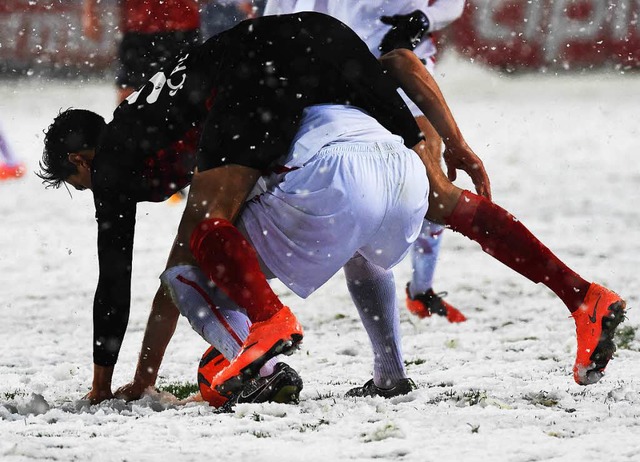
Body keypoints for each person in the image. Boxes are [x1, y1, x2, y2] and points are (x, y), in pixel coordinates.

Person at [40, 13, 624, 405]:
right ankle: (582, 297)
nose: (95, 192)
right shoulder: (164, 108)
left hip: (255, 70)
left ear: (83, 160)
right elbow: (400, 62)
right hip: (327, 40)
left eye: (80, 183)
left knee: (203, 234)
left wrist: (110, 385)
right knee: (444, 201)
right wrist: (457, 141)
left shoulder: (118, 155)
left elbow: (114, 280)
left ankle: (267, 326)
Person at [263, 0, 468, 323]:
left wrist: (422, 18)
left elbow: (453, 4)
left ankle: (422, 289)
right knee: (342, 178)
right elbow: (281, 13)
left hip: (403, 60)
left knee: (433, 180)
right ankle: (255, 302)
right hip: (344, 71)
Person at [83, 0, 202, 104]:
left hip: (181, 28)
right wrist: (90, 12)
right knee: (128, 95)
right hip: (138, 28)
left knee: (185, 97)